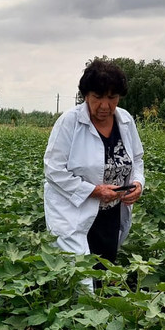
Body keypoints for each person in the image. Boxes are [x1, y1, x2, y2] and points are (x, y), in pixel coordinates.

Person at [43, 59, 145, 271]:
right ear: (86, 95)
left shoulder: (125, 120)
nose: (105, 106)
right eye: (98, 97)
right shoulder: (69, 122)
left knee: (104, 272)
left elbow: (137, 159)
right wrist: (94, 191)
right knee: (79, 276)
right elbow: (53, 170)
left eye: (112, 97)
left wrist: (137, 183)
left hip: (111, 212)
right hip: (74, 211)